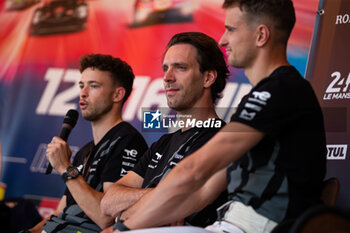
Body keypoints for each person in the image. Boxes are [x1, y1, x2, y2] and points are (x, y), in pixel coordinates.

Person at [112, 1, 327, 233]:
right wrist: (128, 224)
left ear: (261, 35)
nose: (223, 40)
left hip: (261, 226)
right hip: (229, 223)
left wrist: (123, 228)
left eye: (231, 29)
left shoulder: (280, 90)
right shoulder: (266, 94)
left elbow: (192, 171)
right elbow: (202, 193)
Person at [100, 32, 229, 231]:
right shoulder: (163, 143)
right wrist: (160, 199)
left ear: (208, 78)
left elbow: (191, 199)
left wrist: (131, 209)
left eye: (180, 68)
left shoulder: (225, 140)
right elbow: (108, 202)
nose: (167, 78)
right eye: (165, 68)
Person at [29, 54, 148, 233]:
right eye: (81, 85)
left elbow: (106, 217)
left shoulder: (128, 141)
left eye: (93, 86)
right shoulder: (85, 150)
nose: (83, 93)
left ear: (117, 94)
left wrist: (64, 168)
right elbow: (60, 212)